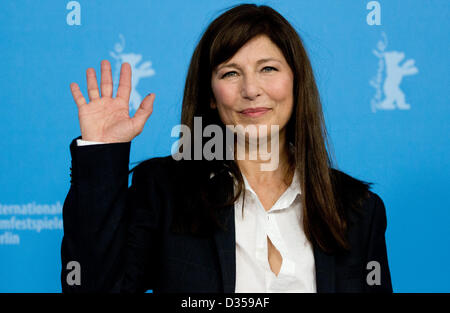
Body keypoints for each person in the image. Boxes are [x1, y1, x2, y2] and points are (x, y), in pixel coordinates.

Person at [61, 3, 392, 293]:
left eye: (268, 69)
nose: (251, 89)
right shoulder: (165, 190)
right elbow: (95, 286)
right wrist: (102, 150)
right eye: (231, 73)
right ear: (211, 95)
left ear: (296, 81)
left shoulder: (358, 209)